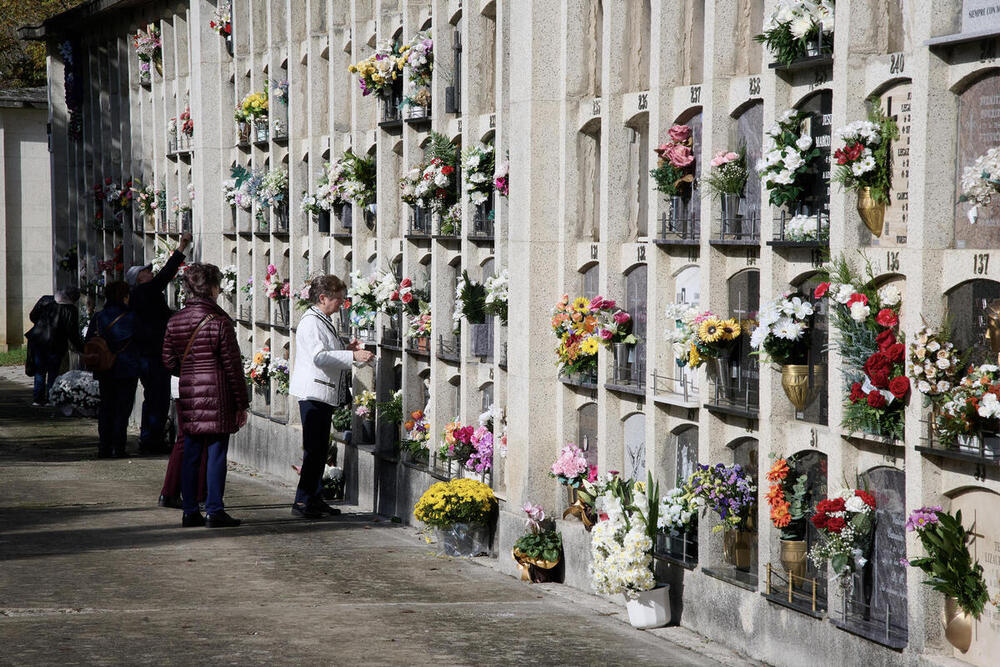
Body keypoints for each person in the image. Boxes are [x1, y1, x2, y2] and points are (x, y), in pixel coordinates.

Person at [162, 263, 248, 528]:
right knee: (216, 453)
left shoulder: (175, 320)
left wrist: (189, 372)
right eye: (218, 284)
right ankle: (214, 509)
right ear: (210, 288)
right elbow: (233, 367)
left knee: (191, 452)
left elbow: (167, 361)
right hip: (218, 395)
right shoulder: (220, 322)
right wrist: (241, 403)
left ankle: (189, 511)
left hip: (188, 394)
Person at [288, 274, 373, 519]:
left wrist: (347, 350)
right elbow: (319, 357)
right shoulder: (311, 322)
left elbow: (327, 351)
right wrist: (353, 358)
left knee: (319, 449)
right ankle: (302, 502)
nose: (342, 304)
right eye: (339, 299)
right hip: (313, 393)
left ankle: (314, 498)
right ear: (323, 298)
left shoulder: (322, 318)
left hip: (323, 392)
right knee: (314, 451)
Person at [127, 231, 191, 454]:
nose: (149, 271)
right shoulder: (146, 291)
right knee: (158, 398)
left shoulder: (139, 295)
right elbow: (166, 274)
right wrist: (181, 248)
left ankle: (149, 437)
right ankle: (151, 440)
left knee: (152, 397)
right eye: (145, 271)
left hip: (145, 354)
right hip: (154, 355)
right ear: (139, 279)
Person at [86, 281, 139, 458]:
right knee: (122, 410)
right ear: (125, 296)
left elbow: (88, 340)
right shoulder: (132, 317)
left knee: (106, 408)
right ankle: (120, 447)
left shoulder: (99, 317)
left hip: (104, 368)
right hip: (127, 368)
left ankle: (104, 447)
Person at [26, 286, 84, 406]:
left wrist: (41, 325)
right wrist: (81, 347)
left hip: (39, 339)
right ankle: (51, 397)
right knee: (53, 371)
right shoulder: (70, 309)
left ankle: (37, 398)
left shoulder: (46, 300)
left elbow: (33, 316)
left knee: (40, 370)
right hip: (57, 342)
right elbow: (71, 331)